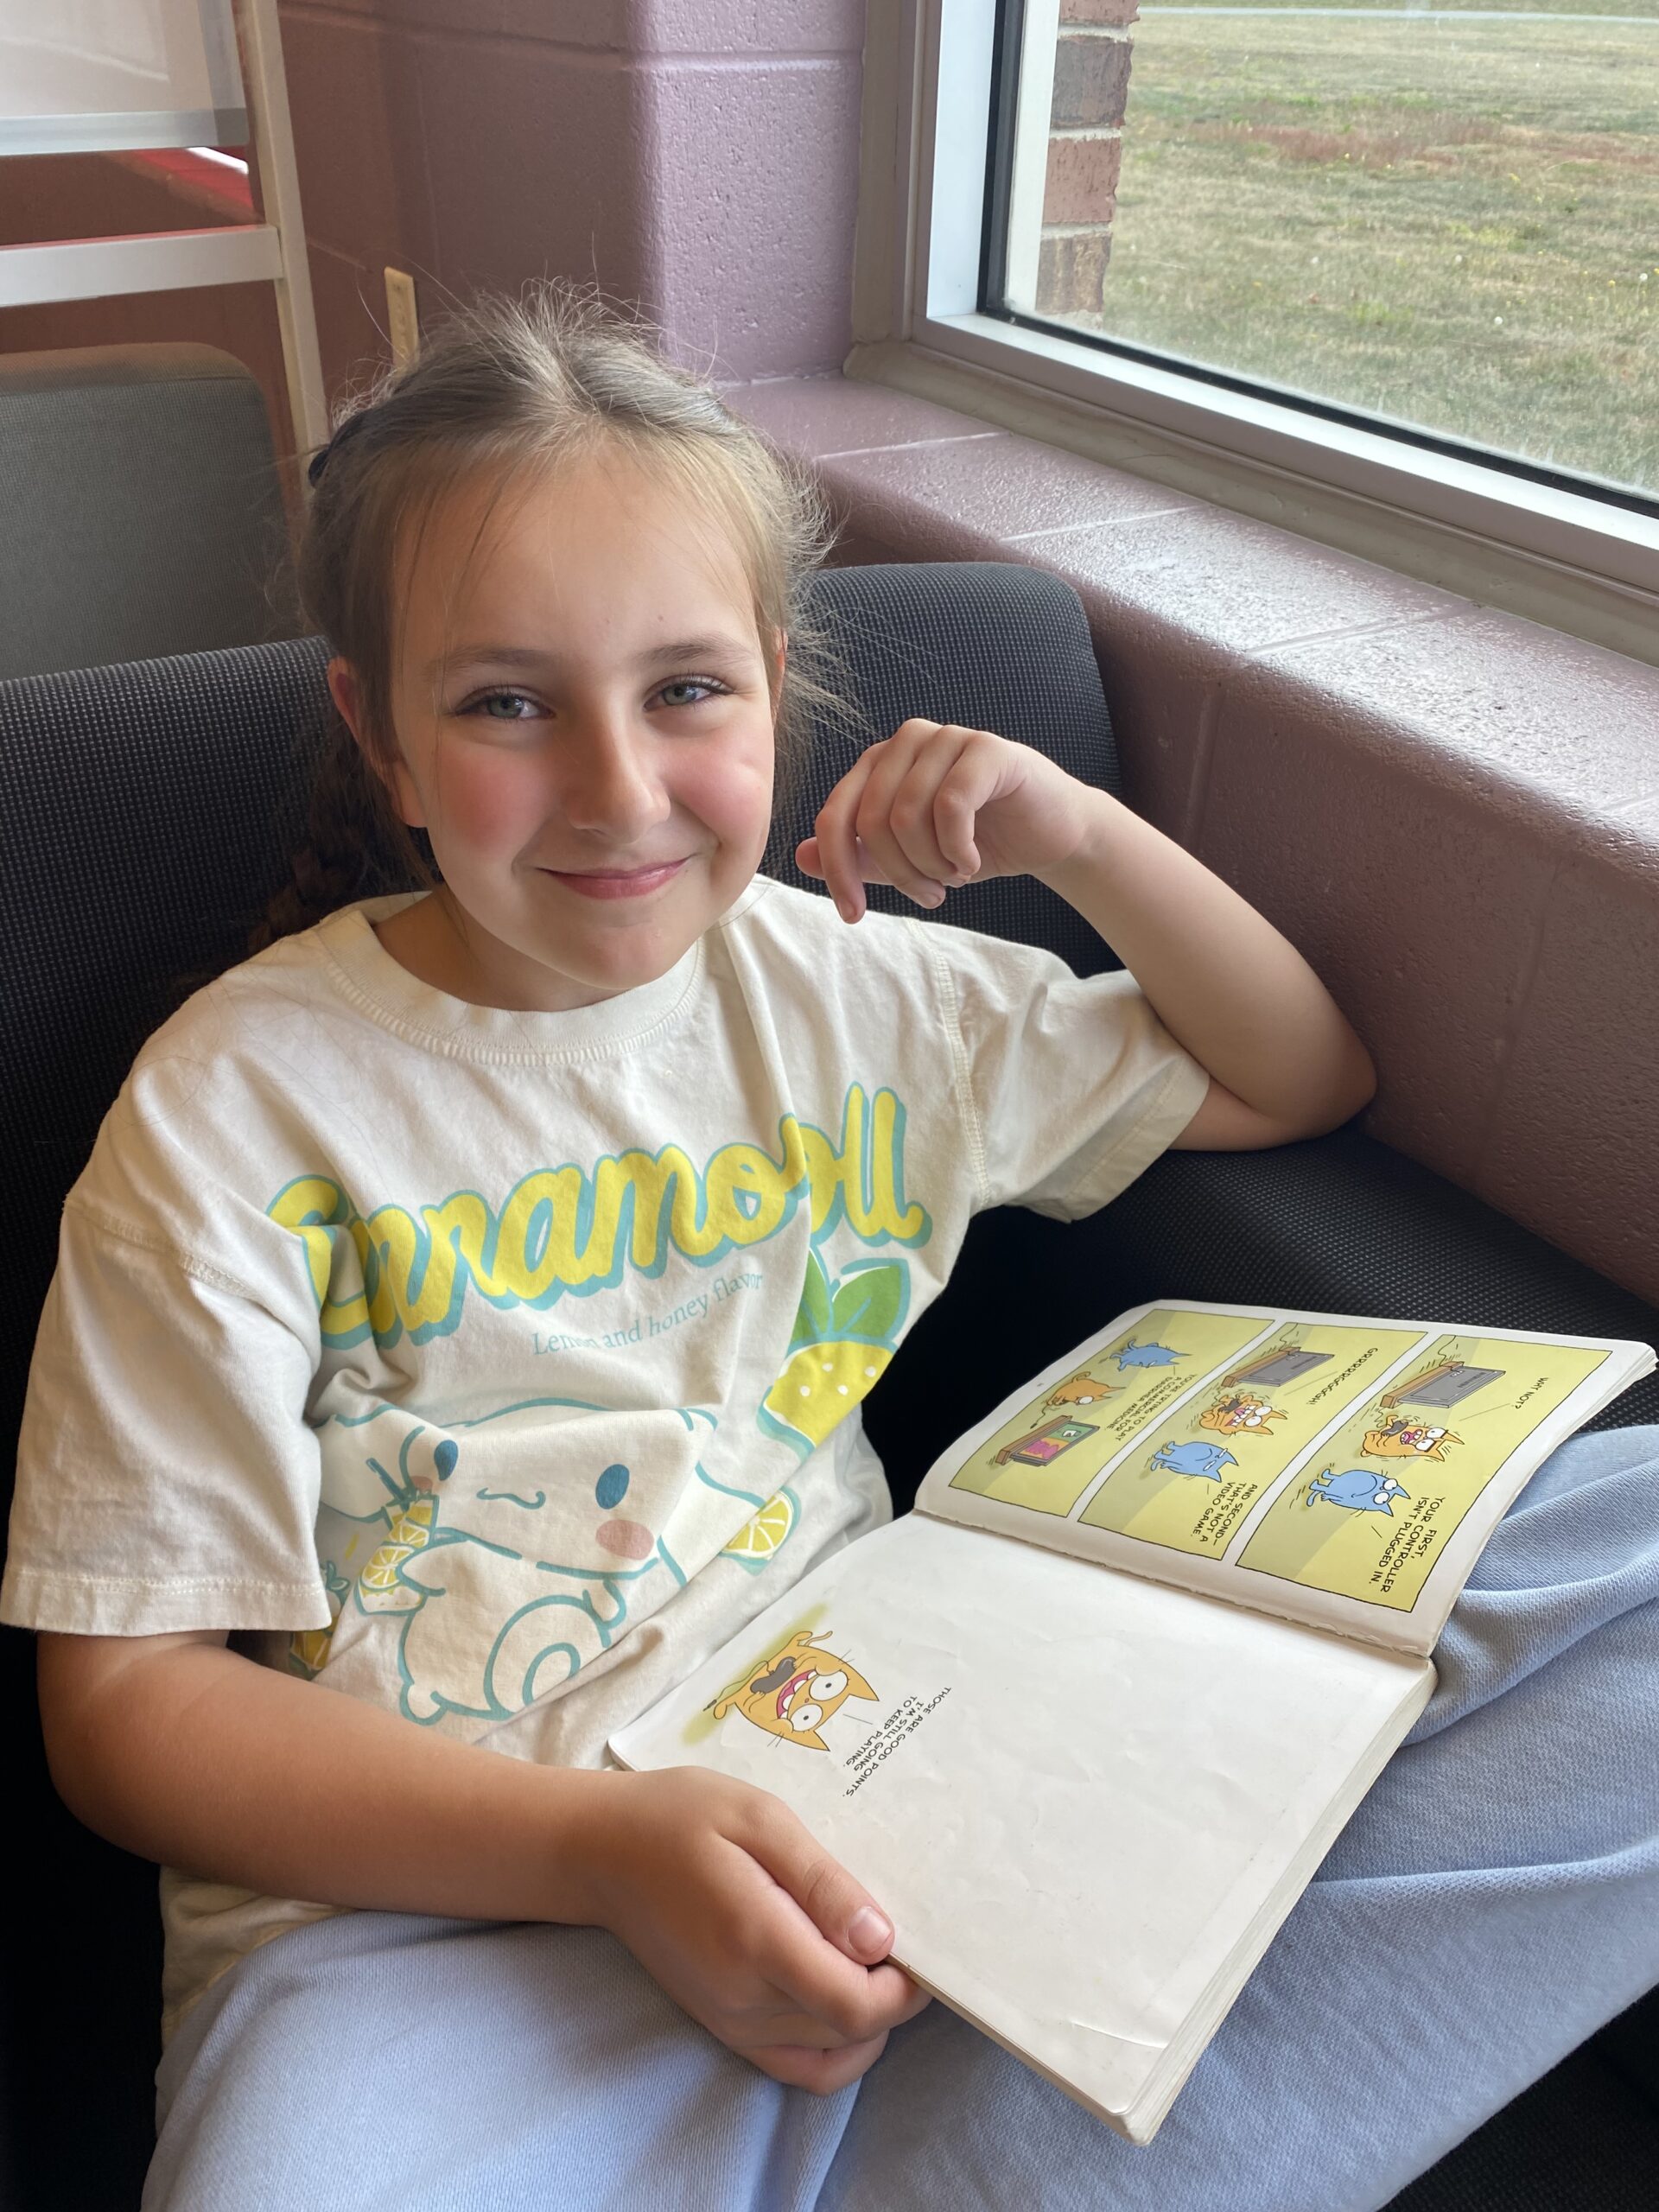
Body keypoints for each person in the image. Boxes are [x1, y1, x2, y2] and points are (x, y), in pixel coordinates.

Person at [3, 289, 1653, 2212]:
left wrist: (1081, 835)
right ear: (380, 732)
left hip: (889, 1771)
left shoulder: (853, 993)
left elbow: (1300, 1073)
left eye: (688, 689)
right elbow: (129, 1706)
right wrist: (599, 1854)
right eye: (508, 702)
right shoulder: (235, 1105)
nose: (620, 788)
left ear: (778, 686)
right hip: (426, 1914)